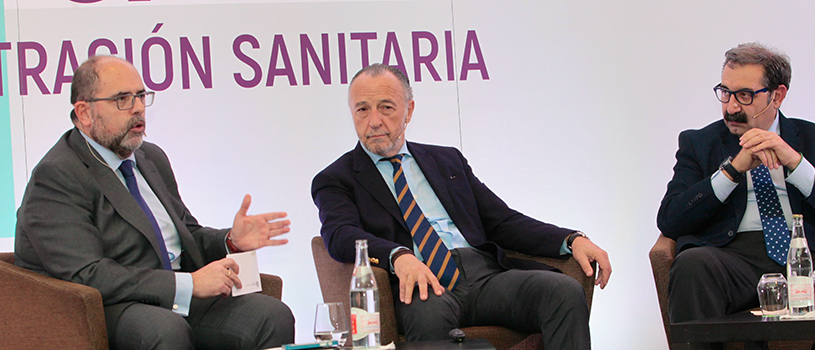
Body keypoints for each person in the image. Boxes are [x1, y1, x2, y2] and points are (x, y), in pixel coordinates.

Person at [311, 63, 611, 350]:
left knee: (563, 292)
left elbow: (501, 221)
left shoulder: (446, 160)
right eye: (362, 109)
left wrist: (571, 239)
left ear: (409, 110)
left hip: (485, 276)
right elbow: (339, 234)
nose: (374, 121)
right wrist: (397, 256)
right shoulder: (336, 178)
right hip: (421, 284)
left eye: (386, 107)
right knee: (427, 313)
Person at [14, 55, 295, 350]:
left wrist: (230, 241)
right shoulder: (58, 174)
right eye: (122, 99)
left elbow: (186, 238)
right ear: (85, 112)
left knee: (270, 315)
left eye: (140, 96)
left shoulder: (151, 158)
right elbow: (87, 273)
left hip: (173, 300)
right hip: (110, 306)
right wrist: (188, 285)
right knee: (164, 331)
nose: (137, 108)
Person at [657, 42, 815, 345]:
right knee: (692, 266)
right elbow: (671, 219)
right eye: (726, 93)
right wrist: (732, 170)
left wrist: (796, 163)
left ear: (777, 95)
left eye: (745, 95)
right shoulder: (699, 143)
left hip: (809, 255)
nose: (732, 107)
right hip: (732, 258)